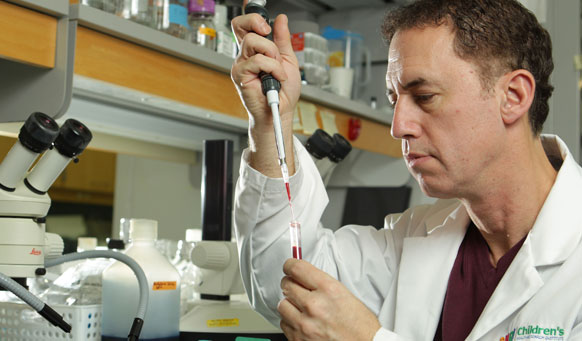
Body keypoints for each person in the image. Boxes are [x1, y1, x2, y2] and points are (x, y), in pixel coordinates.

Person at [230, 0, 582, 339]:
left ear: (514, 96)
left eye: (424, 96)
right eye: (394, 100)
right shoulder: (413, 239)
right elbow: (285, 284)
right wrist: (268, 121)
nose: (398, 127)